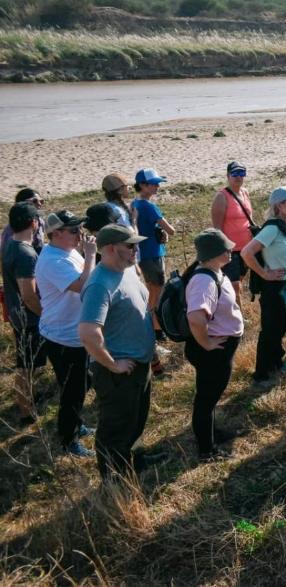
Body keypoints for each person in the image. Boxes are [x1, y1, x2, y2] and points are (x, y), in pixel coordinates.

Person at [78, 225, 162, 480]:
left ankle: (134, 461)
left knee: (136, 420)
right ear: (112, 248)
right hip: (119, 374)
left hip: (140, 364)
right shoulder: (99, 284)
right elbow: (88, 332)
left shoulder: (125, 271)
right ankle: (115, 481)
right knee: (115, 429)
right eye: (130, 246)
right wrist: (113, 364)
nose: (136, 249)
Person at [37, 210, 96, 456]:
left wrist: (83, 254)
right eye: (73, 230)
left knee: (82, 382)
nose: (79, 234)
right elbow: (83, 285)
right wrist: (91, 256)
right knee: (73, 391)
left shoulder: (66, 251)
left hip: (72, 333)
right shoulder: (53, 260)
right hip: (63, 337)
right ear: (56, 233)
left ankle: (77, 424)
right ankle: (68, 440)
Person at [185, 229, 245, 462]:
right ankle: (206, 449)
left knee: (210, 396)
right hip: (212, 351)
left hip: (219, 349)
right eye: (225, 249)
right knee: (206, 399)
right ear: (212, 254)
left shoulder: (214, 272)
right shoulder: (203, 280)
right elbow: (196, 318)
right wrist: (207, 343)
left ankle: (210, 433)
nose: (230, 250)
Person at [241, 186, 286, 385]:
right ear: (280, 205)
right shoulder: (273, 228)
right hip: (274, 289)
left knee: (279, 327)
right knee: (270, 330)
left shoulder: (282, 226)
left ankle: (275, 363)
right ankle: (261, 374)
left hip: (285, 287)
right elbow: (247, 253)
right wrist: (265, 274)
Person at [3, 201, 46, 424]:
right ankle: (26, 412)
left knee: (26, 364)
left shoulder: (10, 244)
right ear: (33, 222)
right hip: (29, 319)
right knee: (26, 366)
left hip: (18, 314)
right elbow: (29, 294)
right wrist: (45, 315)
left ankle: (26, 403)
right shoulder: (25, 254)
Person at [132, 168, 175, 348]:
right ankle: (156, 331)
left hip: (143, 254)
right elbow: (170, 230)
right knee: (156, 293)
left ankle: (153, 328)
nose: (158, 186)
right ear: (143, 185)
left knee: (152, 291)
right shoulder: (148, 206)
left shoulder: (134, 203)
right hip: (152, 254)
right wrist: (164, 233)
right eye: (154, 184)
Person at [210, 161, 255, 298]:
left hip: (246, 248)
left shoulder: (245, 193)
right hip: (231, 249)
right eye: (235, 173)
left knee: (239, 282)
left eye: (242, 173)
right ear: (228, 175)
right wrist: (223, 248)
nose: (238, 177)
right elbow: (217, 228)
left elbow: (249, 218)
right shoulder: (221, 197)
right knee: (233, 286)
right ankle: (237, 317)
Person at [1, 188, 45, 253]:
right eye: (34, 201)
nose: (39, 204)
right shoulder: (11, 228)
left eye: (41, 201)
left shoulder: (40, 222)